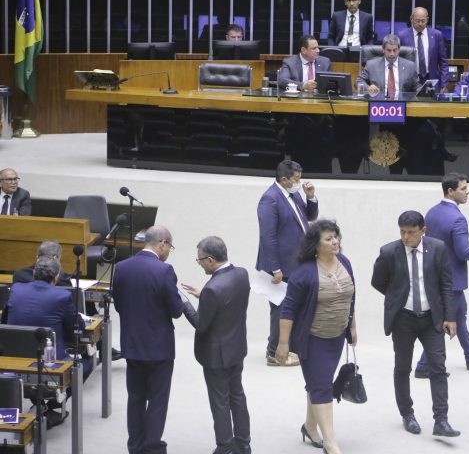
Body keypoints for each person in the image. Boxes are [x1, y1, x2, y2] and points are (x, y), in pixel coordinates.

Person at [371, 210, 460, 438]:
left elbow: (446, 284)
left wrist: (450, 317)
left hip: (432, 319)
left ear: (423, 231)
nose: (406, 237)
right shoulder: (389, 252)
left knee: (438, 368)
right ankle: (407, 414)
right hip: (403, 319)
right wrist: (397, 297)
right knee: (403, 368)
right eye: (402, 232)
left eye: (411, 232)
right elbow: (377, 281)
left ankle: (441, 420)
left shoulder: (438, 248)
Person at [277, 220, 356, 454]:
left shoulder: (345, 263)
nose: (335, 242)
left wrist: (352, 325)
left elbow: (350, 297)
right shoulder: (304, 272)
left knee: (318, 384)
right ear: (316, 245)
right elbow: (288, 309)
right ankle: (330, 443)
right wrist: (283, 344)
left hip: (336, 337)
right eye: (328, 239)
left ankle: (310, 427)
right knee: (322, 386)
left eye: (336, 237)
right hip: (313, 339)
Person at [113, 225, 186, 454]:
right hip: (159, 348)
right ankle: (152, 447)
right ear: (162, 243)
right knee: (157, 400)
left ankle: (135, 446)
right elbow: (176, 310)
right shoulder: (164, 271)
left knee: (135, 398)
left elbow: (118, 304)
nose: (169, 252)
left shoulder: (121, 267)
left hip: (132, 344)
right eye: (170, 247)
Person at [414, 173, 469, 378]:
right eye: (463, 189)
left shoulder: (431, 213)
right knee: (445, 321)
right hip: (452, 282)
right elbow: (463, 252)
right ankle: (423, 366)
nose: (468, 192)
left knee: (459, 317)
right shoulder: (458, 218)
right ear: (451, 191)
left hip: (435, 276)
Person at [181, 236, 252, 454]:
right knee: (237, 396)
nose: (199, 263)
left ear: (211, 260)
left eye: (200, 260)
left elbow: (201, 325)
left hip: (216, 356)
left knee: (220, 402)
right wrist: (204, 296)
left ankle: (225, 448)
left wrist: (184, 303)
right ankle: (243, 443)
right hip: (236, 348)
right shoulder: (241, 274)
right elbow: (228, 302)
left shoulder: (213, 288)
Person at [2, 256, 91, 427]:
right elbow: (76, 329)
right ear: (56, 277)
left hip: (13, 361)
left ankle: (38, 406)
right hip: (48, 367)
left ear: (34, 273)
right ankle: (51, 406)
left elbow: (4, 322)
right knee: (84, 365)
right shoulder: (62, 296)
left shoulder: (16, 289)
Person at [256, 159, 318, 367]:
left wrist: (311, 197)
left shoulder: (293, 194)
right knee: (280, 309)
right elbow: (268, 237)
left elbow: (310, 217)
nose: (299, 183)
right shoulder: (270, 200)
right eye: (296, 179)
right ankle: (274, 352)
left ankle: (288, 347)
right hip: (280, 267)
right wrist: (275, 267)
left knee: (293, 307)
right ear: (284, 179)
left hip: (296, 263)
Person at [396, 7, 449, 91]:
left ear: (427, 19)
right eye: (417, 21)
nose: (420, 23)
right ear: (411, 19)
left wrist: (444, 84)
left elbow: (443, 62)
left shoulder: (437, 35)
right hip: (410, 81)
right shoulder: (402, 36)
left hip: (431, 80)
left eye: (423, 21)